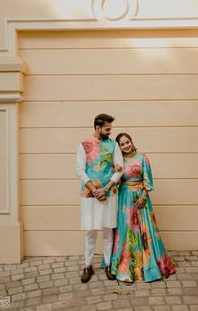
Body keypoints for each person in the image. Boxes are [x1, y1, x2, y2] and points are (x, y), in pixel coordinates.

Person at [111, 133, 175, 283]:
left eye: (128, 142)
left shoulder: (142, 157)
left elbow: (148, 179)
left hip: (141, 197)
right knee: (127, 230)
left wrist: (143, 196)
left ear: (132, 142)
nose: (126, 145)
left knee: (146, 230)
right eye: (122, 144)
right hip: (125, 199)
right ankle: (126, 267)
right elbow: (116, 181)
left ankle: (151, 267)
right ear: (119, 147)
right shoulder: (119, 161)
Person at [76, 114, 124, 283]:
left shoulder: (114, 145)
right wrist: (95, 190)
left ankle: (108, 265)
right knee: (90, 232)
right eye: (107, 129)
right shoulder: (84, 145)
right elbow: (80, 171)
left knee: (108, 230)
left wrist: (105, 189)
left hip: (109, 194)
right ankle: (87, 266)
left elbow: (120, 169)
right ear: (97, 128)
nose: (110, 132)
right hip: (90, 195)